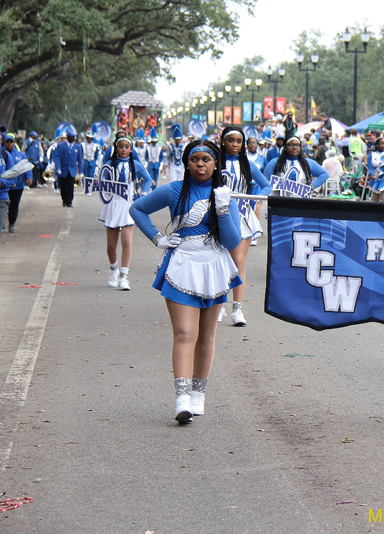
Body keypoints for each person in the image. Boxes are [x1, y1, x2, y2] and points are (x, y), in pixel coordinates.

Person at [130, 140, 243, 424]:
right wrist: (159, 239)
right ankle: (181, 397)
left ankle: (198, 394)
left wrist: (224, 210)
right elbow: (137, 209)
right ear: (187, 163)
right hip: (181, 264)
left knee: (207, 335)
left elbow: (232, 241)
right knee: (184, 333)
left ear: (216, 163)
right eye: (195, 160)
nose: (200, 165)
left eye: (206, 159)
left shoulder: (226, 196)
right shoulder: (174, 190)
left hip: (215, 265)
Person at [218, 126, 272, 326]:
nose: (234, 144)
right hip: (218, 217)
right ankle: (219, 306)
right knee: (220, 261)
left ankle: (237, 310)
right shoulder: (215, 163)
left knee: (238, 262)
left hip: (242, 217)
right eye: (230, 140)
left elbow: (266, 186)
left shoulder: (249, 165)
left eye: (238, 141)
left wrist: (252, 200)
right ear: (223, 141)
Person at [100, 137, 153, 291]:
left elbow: (148, 180)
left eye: (127, 147)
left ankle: (124, 277)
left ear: (131, 149)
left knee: (127, 241)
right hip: (112, 205)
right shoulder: (109, 165)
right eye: (120, 147)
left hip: (128, 206)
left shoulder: (135, 165)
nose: (123, 149)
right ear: (116, 148)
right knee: (111, 246)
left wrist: (143, 194)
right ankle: (113, 269)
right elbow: (100, 181)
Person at [263, 134, 329, 193]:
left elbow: (324, 174)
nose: (294, 147)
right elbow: (265, 180)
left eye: (297, 145)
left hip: (301, 201)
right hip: (279, 201)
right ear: (285, 147)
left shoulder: (308, 163)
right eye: (291, 145)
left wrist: (312, 186)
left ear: (300, 148)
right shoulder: (275, 162)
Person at [2, 134, 33, 232]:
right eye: (7, 142)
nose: (9, 144)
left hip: (17, 185)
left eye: (11, 142)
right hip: (4, 185)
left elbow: (26, 167)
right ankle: (1, 223)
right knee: (3, 204)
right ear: (4, 143)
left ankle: (11, 223)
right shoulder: (2, 154)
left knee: (14, 204)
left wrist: (29, 177)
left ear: (14, 143)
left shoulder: (20, 155)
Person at [53, 130, 82, 207]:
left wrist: (80, 171)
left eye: (73, 137)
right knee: (63, 186)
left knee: (70, 186)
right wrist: (58, 168)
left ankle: (69, 201)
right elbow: (58, 157)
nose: (73, 139)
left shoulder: (77, 147)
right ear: (68, 138)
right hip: (63, 169)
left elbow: (79, 160)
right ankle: (64, 200)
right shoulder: (60, 146)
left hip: (72, 170)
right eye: (71, 137)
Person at [367, 137, 384, 203]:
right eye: (381, 144)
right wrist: (372, 175)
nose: (383, 146)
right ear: (377, 145)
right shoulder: (371, 156)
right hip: (375, 180)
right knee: (375, 202)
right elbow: (370, 168)